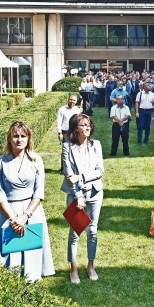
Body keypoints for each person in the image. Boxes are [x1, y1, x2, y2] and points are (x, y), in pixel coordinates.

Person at [0, 121, 54, 283]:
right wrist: (14, 219)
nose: (19, 140)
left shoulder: (36, 160)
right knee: (9, 258)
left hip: (31, 211)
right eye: (15, 136)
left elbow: (38, 192)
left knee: (31, 249)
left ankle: (32, 276)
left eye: (23, 136)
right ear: (9, 139)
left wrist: (25, 216)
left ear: (28, 139)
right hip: (8, 212)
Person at [61, 114, 104, 284]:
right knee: (75, 232)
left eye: (89, 125)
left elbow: (100, 171)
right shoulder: (67, 147)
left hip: (94, 192)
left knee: (92, 230)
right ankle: (73, 269)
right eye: (83, 125)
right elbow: (68, 173)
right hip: (75, 194)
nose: (87, 127)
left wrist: (81, 177)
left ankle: (90, 265)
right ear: (75, 128)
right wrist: (78, 196)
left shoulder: (96, 145)